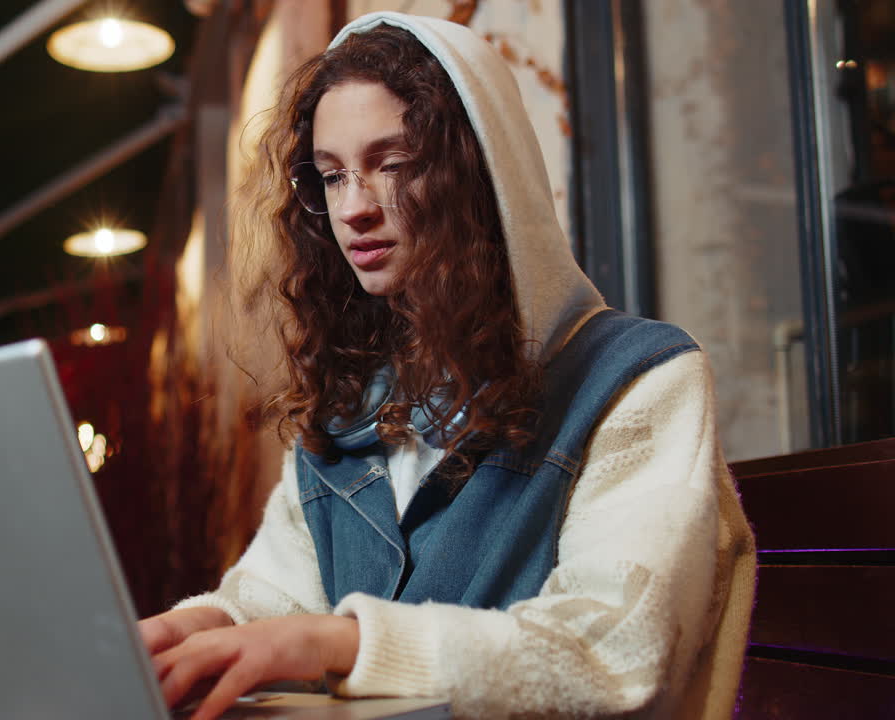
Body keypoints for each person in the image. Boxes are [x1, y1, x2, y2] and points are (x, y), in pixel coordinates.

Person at [138, 11, 755, 720]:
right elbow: (274, 599)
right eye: (333, 176)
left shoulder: (640, 380)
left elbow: (616, 657)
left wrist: (344, 643)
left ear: (482, 171)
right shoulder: (347, 408)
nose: (354, 209)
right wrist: (199, 626)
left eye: (392, 164)